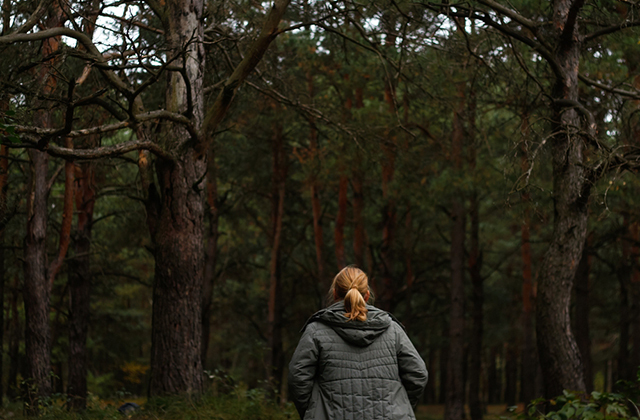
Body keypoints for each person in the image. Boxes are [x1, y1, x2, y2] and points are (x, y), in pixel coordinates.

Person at [288, 266, 428, 420]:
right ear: (367, 295)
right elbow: (418, 374)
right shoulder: (393, 330)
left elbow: (298, 377)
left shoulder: (316, 330)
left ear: (335, 293)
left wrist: (314, 410)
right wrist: (398, 406)